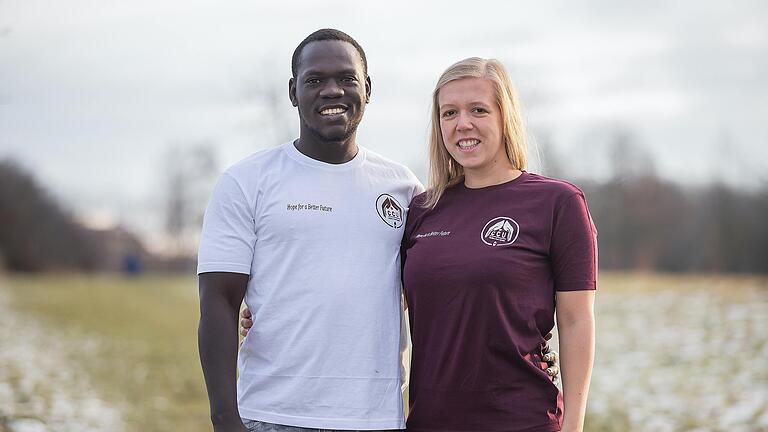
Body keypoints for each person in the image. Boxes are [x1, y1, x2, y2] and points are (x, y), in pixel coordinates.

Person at [197, 29, 422, 432]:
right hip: (272, 415)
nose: (332, 91)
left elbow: (440, 287)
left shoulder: (403, 188)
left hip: (377, 418)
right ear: (292, 91)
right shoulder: (246, 181)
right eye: (315, 80)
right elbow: (218, 302)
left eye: (346, 79)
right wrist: (225, 419)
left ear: (367, 89)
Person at [401, 58, 596, 431]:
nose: (463, 124)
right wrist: (269, 308)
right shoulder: (422, 210)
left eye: (478, 110)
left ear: (505, 116)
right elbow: (377, 300)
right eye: (449, 113)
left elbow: (576, 321)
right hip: (429, 422)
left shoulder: (558, 203)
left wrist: (573, 426)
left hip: (521, 420)